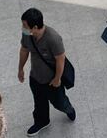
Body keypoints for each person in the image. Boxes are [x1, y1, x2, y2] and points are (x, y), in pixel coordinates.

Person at [19, 8, 76, 136]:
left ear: (34, 27)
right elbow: (24, 50)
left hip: (52, 81)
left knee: (59, 103)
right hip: (35, 77)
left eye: (24, 25)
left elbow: (60, 60)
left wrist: (57, 79)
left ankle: (68, 108)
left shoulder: (53, 38)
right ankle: (42, 121)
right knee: (39, 103)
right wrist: (20, 68)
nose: (22, 28)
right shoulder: (28, 34)